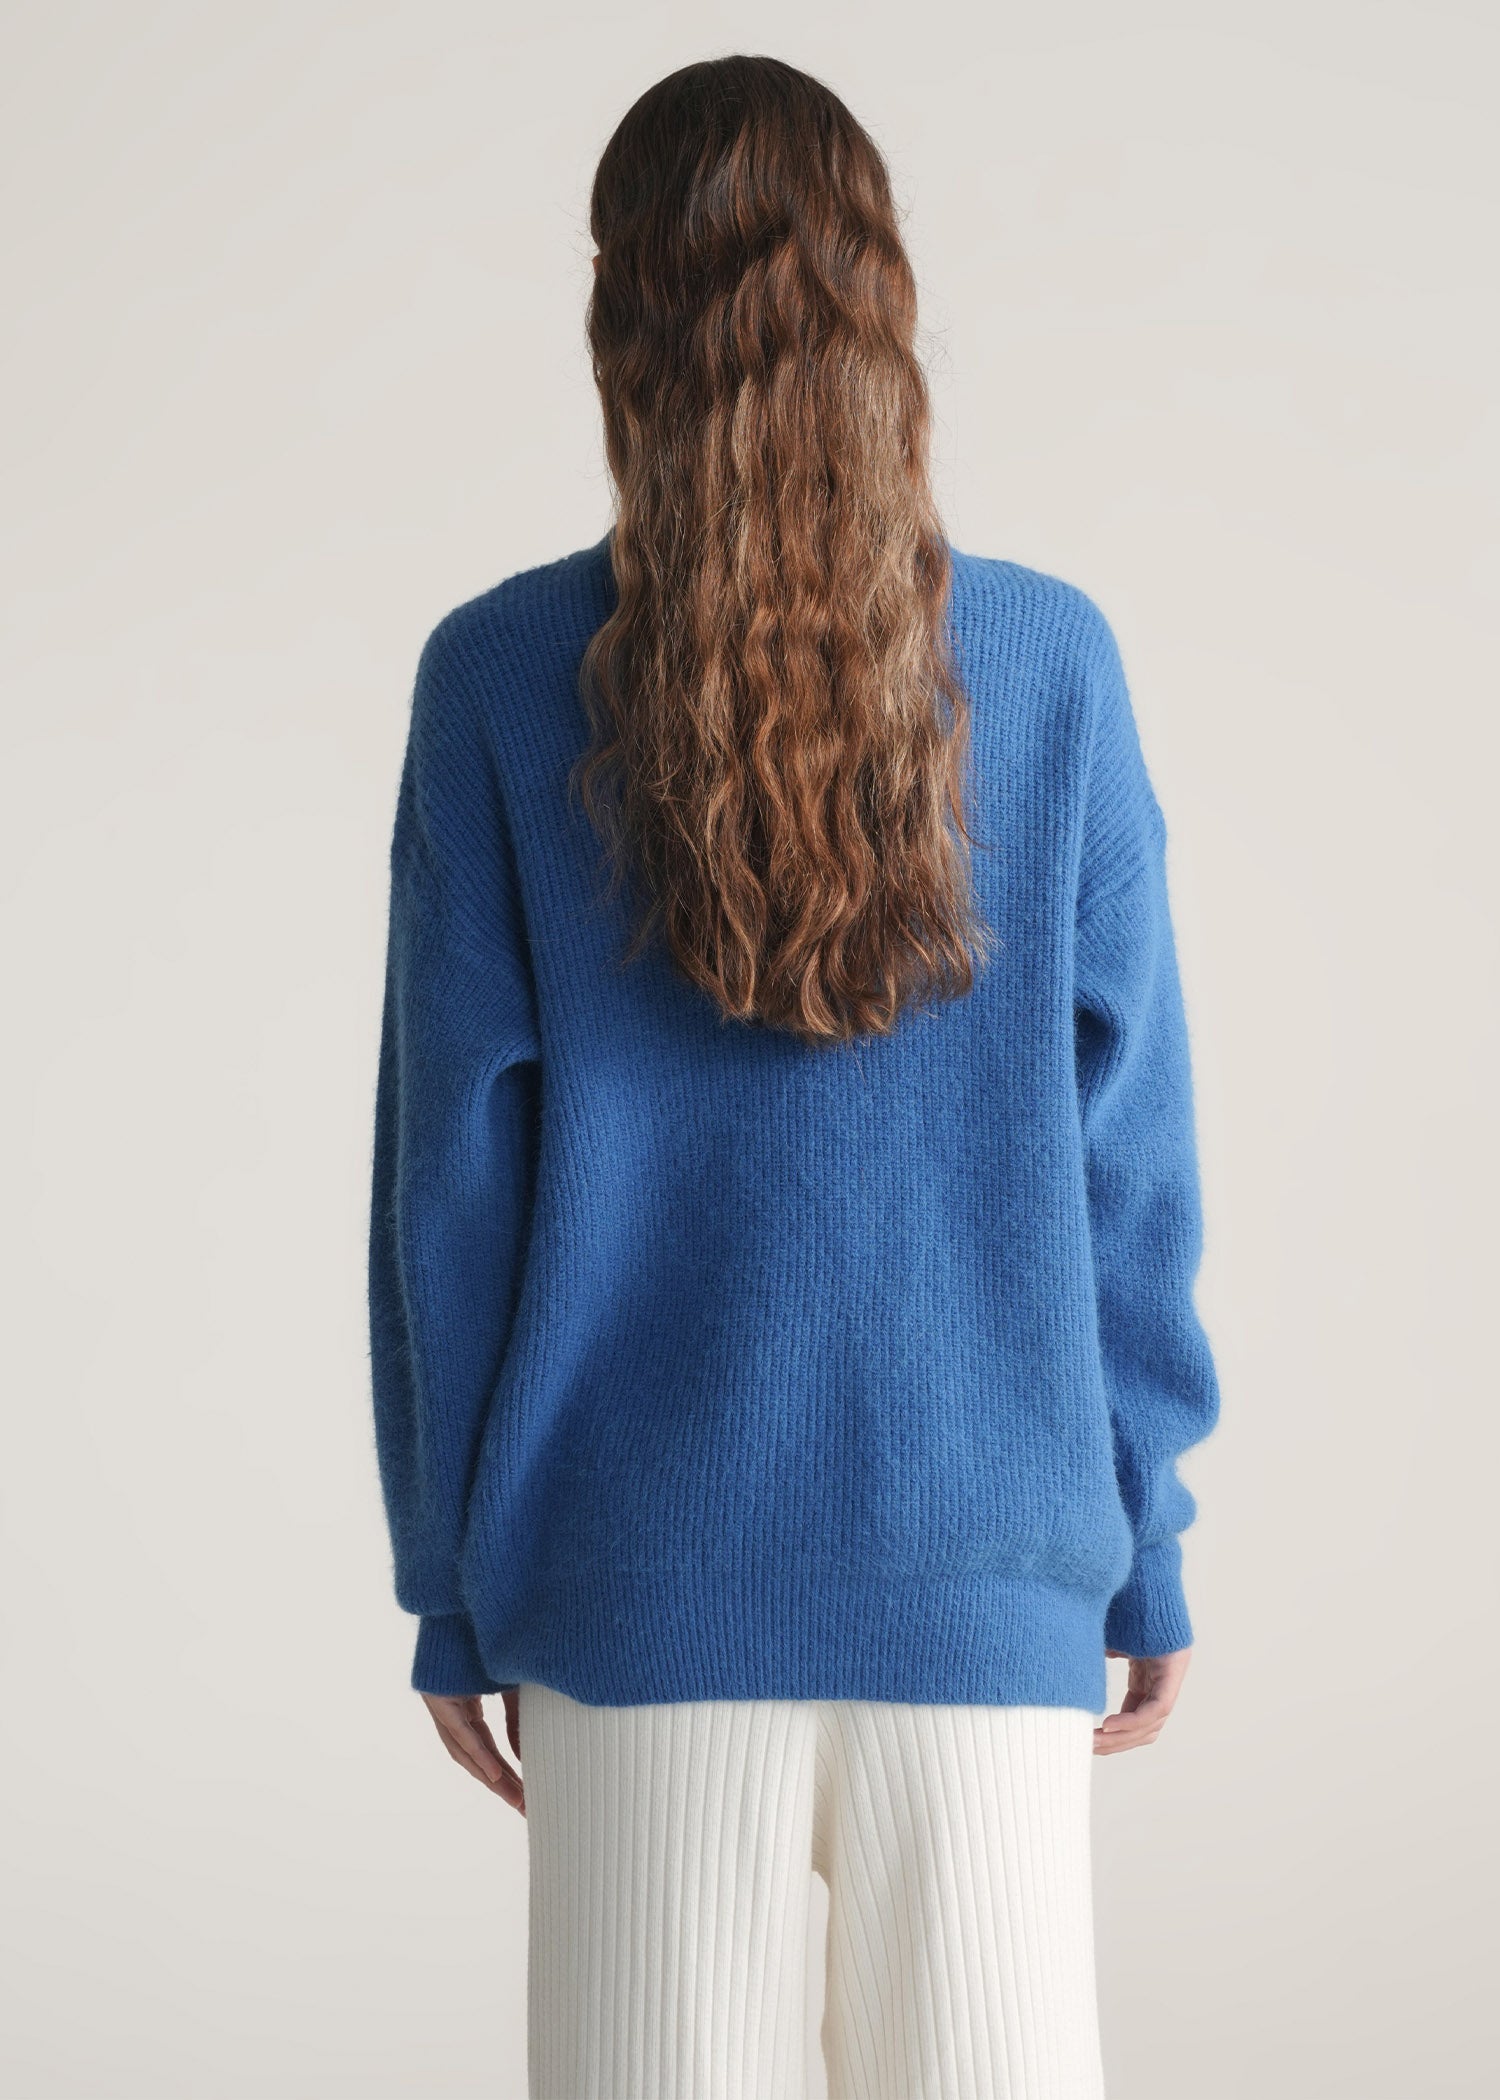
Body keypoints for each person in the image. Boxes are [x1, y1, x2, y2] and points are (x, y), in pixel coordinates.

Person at [367, 52, 1220, 2100]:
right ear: (882, 302)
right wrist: (1149, 1536)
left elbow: (450, 1194)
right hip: (985, 1594)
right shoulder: (1052, 665)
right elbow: (1127, 1163)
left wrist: (451, 1589)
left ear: (618, 320)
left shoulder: (498, 677)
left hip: (633, 1605)